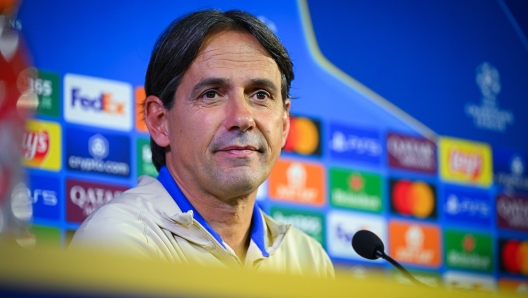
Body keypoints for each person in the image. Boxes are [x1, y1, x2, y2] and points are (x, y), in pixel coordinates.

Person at [70, 9, 334, 277]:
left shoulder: (309, 261)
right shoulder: (117, 238)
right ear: (160, 121)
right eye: (211, 94)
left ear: (285, 123)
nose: (242, 118)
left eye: (260, 95)